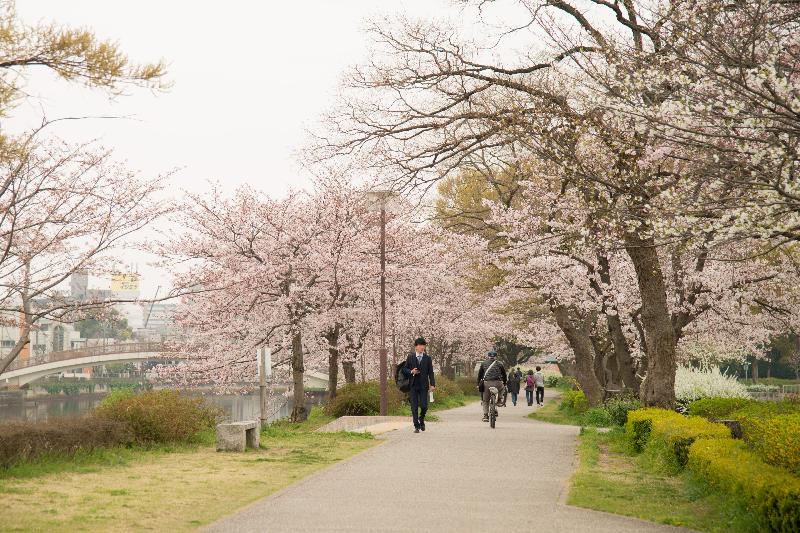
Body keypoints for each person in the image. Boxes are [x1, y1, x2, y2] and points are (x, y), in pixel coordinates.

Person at [402, 337, 435, 433]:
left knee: (424, 406)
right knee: (414, 406)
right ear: (416, 347)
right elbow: (404, 369)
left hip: (424, 386)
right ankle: (416, 426)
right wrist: (411, 371)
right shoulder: (410, 357)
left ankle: (422, 418)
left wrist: (432, 384)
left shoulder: (427, 358)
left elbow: (431, 372)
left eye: (423, 345)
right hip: (413, 385)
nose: (422, 347)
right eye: (420, 345)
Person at [477, 350, 507, 422]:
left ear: (488, 356)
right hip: (498, 383)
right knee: (502, 388)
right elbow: (504, 375)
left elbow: (480, 375)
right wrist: (505, 383)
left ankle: (485, 416)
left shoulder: (483, 363)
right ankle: (499, 400)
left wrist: (478, 384)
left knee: (485, 400)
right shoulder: (500, 364)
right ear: (496, 357)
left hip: (487, 383)